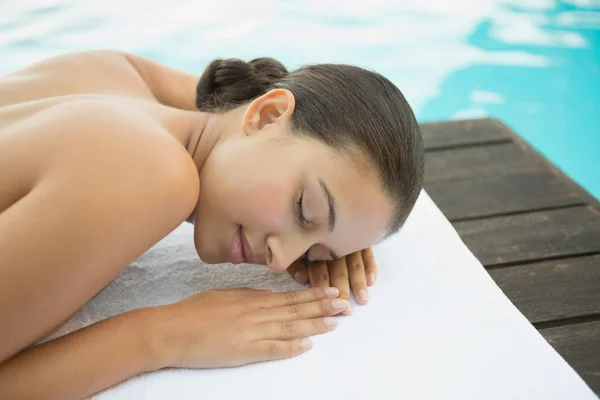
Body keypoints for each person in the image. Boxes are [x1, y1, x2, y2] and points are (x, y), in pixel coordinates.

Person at [0, 50, 424, 399]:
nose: (280, 260)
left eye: (312, 253)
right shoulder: (151, 173)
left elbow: (217, 103)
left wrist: (335, 233)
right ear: (264, 114)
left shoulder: (115, 75)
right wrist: (160, 336)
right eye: (303, 209)